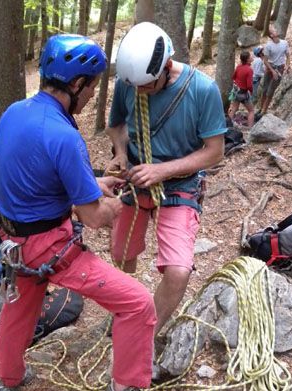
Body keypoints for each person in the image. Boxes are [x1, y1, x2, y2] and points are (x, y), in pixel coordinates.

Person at [0, 34, 156, 391]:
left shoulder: (14, 113)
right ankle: (127, 385)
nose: (94, 94)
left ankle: (9, 379)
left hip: (12, 240)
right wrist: (116, 205)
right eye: (93, 86)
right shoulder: (65, 136)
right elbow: (94, 218)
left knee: (21, 306)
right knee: (139, 303)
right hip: (46, 245)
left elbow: (35, 173)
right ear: (77, 83)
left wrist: (93, 182)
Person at [105, 22, 226, 339]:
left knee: (178, 273)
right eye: (135, 86)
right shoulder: (130, 83)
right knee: (121, 255)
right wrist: (120, 154)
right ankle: (126, 308)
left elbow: (214, 152)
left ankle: (142, 332)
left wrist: (162, 170)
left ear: (167, 66)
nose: (139, 92)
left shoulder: (202, 90)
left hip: (179, 185)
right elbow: (116, 125)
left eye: (146, 86)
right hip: (135, 178)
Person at [259, 26, 290, 114]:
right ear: (272, 35)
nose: (276, 30)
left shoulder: (284, 43)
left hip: (280, 68)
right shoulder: (268, 46)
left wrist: (287, 66)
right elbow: (265, 60)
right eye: (274, 30)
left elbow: (288, 56)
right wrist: (272, 70)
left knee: (271, 90)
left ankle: (264, 110)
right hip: (270, 68)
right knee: (265, 89)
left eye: (275, 29)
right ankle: (261, 108)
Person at [227, 50, 255, 128]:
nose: (251, 57)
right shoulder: (249, 70)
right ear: (247, 59)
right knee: (251, 111)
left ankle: (227, 125)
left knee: (234, 108)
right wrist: (251, 91)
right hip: (243, 93)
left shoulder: (238, 67)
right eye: (250, 57)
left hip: (236, 91)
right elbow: (249, 85)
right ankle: (250, 128)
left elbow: (233, 77)